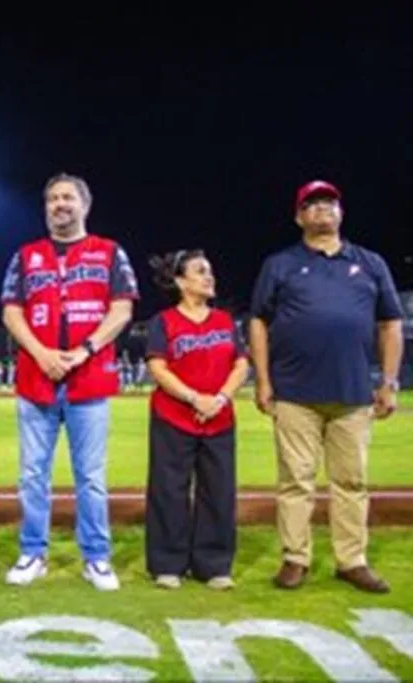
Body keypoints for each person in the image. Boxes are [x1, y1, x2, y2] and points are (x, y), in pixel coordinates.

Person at [250, 180, 404, 593]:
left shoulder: (370, 263)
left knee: (352, 481)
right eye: (312, 205)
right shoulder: (280, 265)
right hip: (295, 392)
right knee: (295, 481)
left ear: (341, 213)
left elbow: (390, 323)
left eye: (329, 203)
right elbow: (259, 322)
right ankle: (295, 558)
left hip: (354, 393)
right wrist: (263, 380)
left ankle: (351, 560)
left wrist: (389, 382)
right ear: (298, 216)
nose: (322, 210)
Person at [1, 172, 138, 590]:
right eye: (52, 199)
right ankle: (33, 553)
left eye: (68, 198)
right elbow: (11, 312)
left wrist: (83, 351)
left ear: (85, 205)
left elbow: (122, 311)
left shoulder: (109, 252)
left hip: (89, 379)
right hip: (36, 379)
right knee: (31, 474)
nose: (60, 205)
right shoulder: (26, 256)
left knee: (91, 476)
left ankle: (96, 557)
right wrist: (41, 353)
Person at [144, 250, 249, 590]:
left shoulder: (224, 320)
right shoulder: (164, 321)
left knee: (218, 489)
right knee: (169, 490)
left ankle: (214, 564)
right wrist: (194, 397)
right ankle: (168, 563)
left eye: (210, 271)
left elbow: (241, 364)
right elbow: (157, 367)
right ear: (180, 281)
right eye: (201, 271)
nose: (209, 277)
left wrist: (219, 398)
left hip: (218, 417)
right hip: (174, 416)